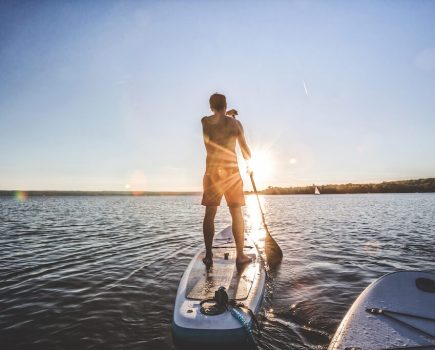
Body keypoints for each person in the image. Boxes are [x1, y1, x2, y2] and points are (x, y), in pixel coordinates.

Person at [201, 93, 253, 267]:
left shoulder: (205, 122)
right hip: (231, 173)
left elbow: (215, 119)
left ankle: (208, 256)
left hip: (212, 173)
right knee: (236, 212)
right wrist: (250, 165)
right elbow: (245, 150)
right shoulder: (236, 124)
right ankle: (240, 256)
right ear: (226, 105)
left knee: (210, 213)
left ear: (210, 107)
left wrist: (225, 113)